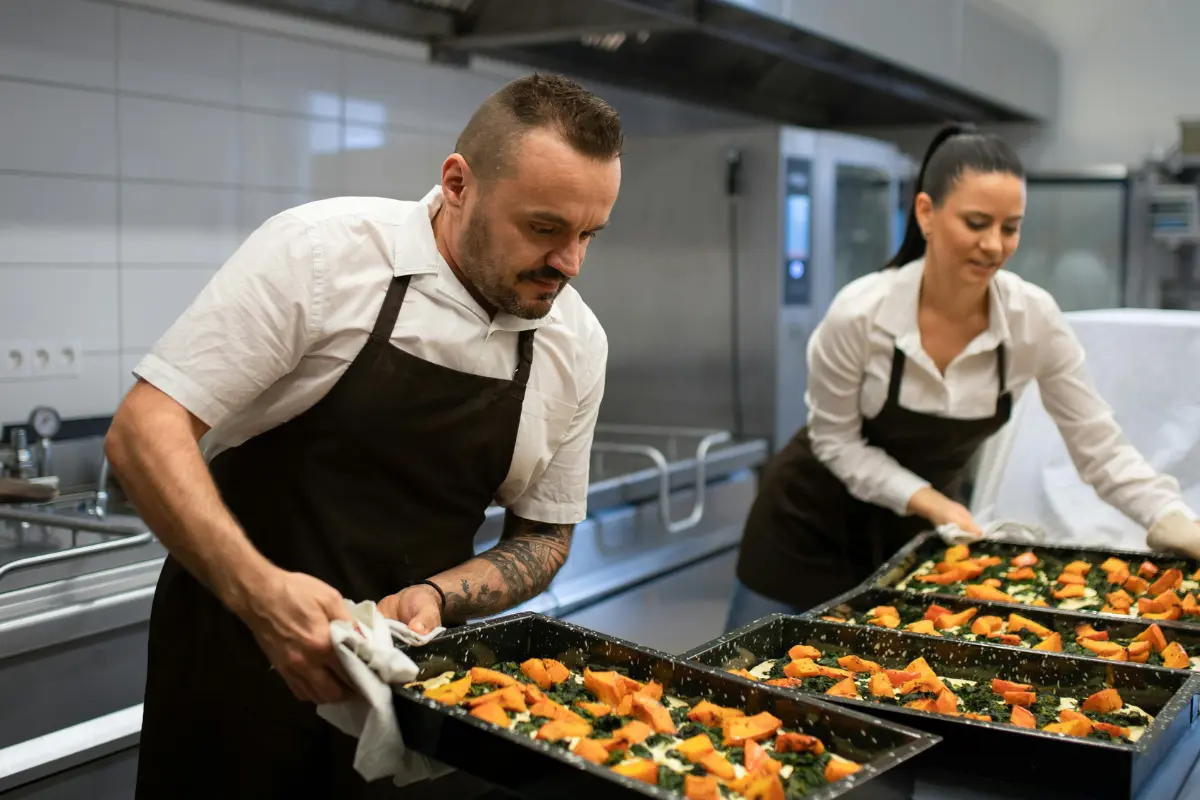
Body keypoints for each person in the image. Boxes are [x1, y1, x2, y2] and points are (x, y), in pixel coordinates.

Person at [104, 73, 621, 798]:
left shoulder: (577, 341)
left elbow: (545, 537)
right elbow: (142, 431)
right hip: (235, 665)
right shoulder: (320, 256)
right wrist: (262, 597)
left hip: (411, 694)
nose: (569, 264)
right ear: (457, 183)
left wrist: (441, 595)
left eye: (589, 234)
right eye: (543, 228)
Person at [726, 123, 1200, 629]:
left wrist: (1167, 515)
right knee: (749, 678)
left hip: (917, 545)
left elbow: (1097, 443)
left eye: (1010, 227)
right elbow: (835, 442)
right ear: (927, 213)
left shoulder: (1031, 318)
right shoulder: (862, 315)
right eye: (976, 223)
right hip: (803, 531)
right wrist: (932, 500)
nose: (994, 245)